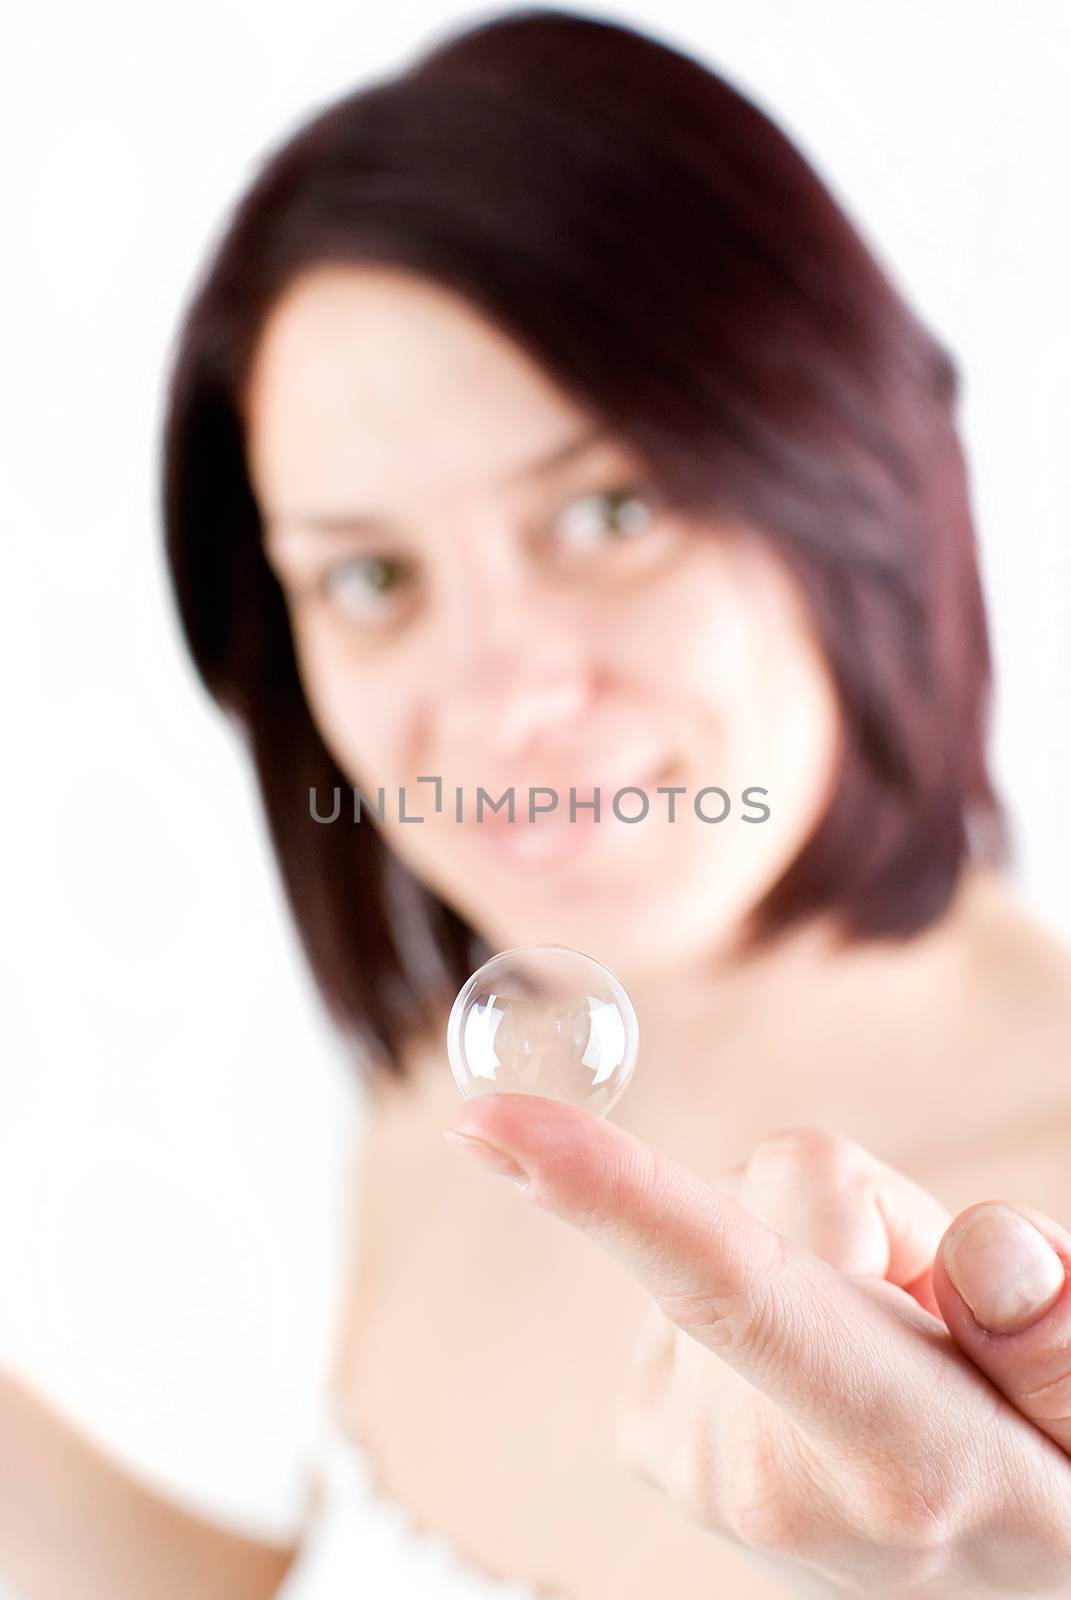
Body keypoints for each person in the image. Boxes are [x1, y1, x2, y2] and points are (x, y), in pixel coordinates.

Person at [3, 8, 1071, 1597]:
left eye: (610, 509)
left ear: (849, 469)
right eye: (370, 575)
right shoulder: (468, 1082)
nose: (502, 701)